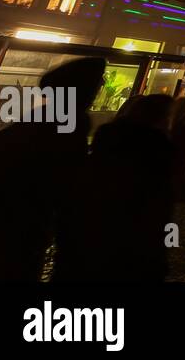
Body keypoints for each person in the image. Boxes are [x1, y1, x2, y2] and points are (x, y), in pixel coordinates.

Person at [0, 57, 106, 281]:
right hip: (14, 227)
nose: (99, 91)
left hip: (0, 223)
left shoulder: (43, 119)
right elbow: (63, 186)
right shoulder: (66, 127)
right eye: (97, 85)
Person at [54, 94, 178, 281]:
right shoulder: (156, 155)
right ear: (161, 119)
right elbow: (157, 216)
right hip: (128, 260)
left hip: (81, 252)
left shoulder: (105, 144)